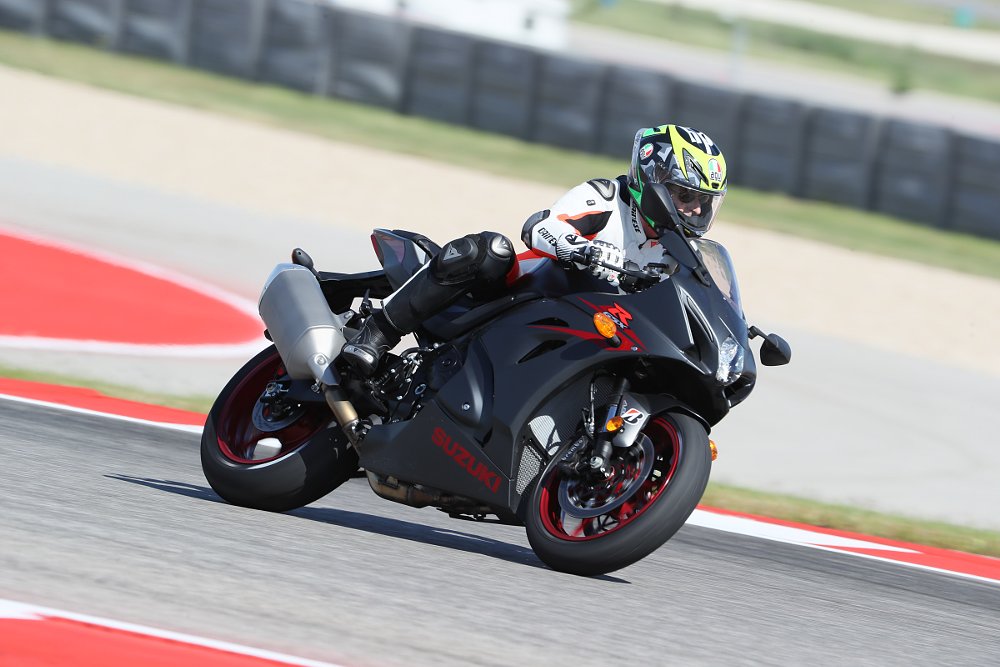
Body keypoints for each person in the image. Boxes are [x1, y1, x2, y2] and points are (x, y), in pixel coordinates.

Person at [341, 124, 729, 376]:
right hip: (521, 293)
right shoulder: (608, 199)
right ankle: (375, 334)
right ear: (653, 177)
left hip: (587, 330)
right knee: (489, 249)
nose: (695, 209)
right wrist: (585, 251)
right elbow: (541, 227)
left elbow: (696, 294)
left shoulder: (676, 252)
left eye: (704, 201)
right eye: (685, 195)